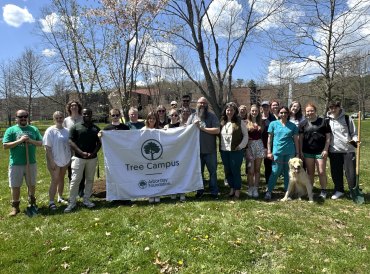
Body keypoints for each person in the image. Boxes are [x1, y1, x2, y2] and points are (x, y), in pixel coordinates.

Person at [3, 110, 43, 216]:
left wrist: (30, 141)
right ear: (16, 118)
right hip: (16, 163)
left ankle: (32, 203)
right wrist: (20, 141)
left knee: (31, 184)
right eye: (21, 117)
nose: (23, 118)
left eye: (25, 116)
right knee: (15, 186)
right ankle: (15, 207)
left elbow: (40, 143)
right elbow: (5, 146)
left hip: (31, 163)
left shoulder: (33, 129)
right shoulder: (11, 130)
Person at [64, 108, 101, 213]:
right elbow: (71, 141)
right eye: (84, 114)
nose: (87, 116)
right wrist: (81, 152)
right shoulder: (75, 127)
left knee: (89, 179)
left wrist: (94, 153)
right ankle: (72, 202)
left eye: (89, 114)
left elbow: (99, 142)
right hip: (78, 158)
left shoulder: (96, 129)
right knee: (75, 180)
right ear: (82, 115)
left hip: (92, 159)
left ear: (91, 115)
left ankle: (86, 199)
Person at [187, 97, 220, 199]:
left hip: (210, 150)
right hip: (197, 152)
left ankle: (214, 191)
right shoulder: (192, 117)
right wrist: (192, 125)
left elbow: (217, 130)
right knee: (199, 172)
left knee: (213, 172)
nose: (202, 105)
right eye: (200, 103)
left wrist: (202, 128)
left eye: (204, 103)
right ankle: (200, 190)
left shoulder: (212, 116)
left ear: (207, 105)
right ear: (197, 104)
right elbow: (186, 131)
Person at [265, 106, 299, 200]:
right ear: (279, 113)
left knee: (288, 173)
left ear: (288, 114)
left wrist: (297, 153)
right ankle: (269, 191)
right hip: (277, 152)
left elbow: (296, 140)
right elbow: (269, 138)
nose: (283, 114)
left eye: (285, 113)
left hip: (290, 152)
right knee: (275, 172)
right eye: (281, 112)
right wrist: (269, 151)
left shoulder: (292, 126)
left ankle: (287, 193)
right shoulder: (273, 124)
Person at [327, 100, 358, 200]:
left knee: (351, 173)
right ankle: (339, 190)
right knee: (336, 172)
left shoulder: (347, 118)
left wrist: (355, 141)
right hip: (334, 151)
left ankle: (353, 190)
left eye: (335, 107)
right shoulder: (327, 120)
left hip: (348, 150)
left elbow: (354, 133)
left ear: (339, 107)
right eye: (331, 107)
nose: (333, 109)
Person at [299, 103, 331, 199]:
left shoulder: (323, 122)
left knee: (321, 171)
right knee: (310, 172)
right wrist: (300, 151)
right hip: (308, 152)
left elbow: (328, 137)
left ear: (315, 111)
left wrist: (325, 149)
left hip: (320, 152)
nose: (310, 112)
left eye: (312, 110)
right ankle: (310, 190)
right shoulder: (303, 124)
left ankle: (323, 190)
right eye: (308, 111)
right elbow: (300, 139)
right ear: (305, 112)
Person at [219, 102, 248, 199]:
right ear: (225, 111)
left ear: (235, 111)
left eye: (231, 110)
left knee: (235, 170)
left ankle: (237, 190)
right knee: (228, 170)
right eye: (228, 110)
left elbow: (246, 136)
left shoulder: (240, 121)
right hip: (224, 150)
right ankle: (232, 188)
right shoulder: (222, 121)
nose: (229, 112)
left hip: (236, 150)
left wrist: (241, 146)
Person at [43, 111, 71, 210]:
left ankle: (60, 197)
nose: (59, 119)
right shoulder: (50, 131)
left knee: (61, 178)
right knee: (55, 180)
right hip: (54, 160)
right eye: (57, 118)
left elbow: (69, 145)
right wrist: (51, 161)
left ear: (63, 118)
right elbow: (47, 147)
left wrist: (69, 158)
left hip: (65, 159)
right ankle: (51, 202)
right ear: (54, 119)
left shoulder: (67, 131)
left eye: (61, 117)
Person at [63, 100, 85, 196]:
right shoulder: (66, 120)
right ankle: (73, 190)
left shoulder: (83, 119)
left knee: (82, 169)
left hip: (81, 148)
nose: (74, 107)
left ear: (78, 107)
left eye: (75, 105)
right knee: (71, 170)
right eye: (72, 105)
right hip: (70, 148)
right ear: (69, 108)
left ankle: (81, 190)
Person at [246, 104, 265, 198]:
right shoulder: (246, 122)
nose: (254, 112)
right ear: (250, 111)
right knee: (250, 170)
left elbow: (264, 136)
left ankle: (255, 188)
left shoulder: (261, 122)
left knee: (257, 170)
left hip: (259, 146)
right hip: (250, 146)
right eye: (253, 111)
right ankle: (250, 187)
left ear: (258, 112)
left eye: (256, 111)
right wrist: (246, 149)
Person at [142, 111, 161, 203]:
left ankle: (157, 194)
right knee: (148, 176)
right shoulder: (142, 130)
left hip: (158, 159)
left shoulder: (160, 130)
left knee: (157, 176)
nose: (151, 120)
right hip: (146, 159)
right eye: (150, 118)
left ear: (156, 120)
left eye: (153, 118)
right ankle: (150, 194)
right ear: (147, 119)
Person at [261, 100, 276, 186]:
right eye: (264, 106)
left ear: (269, 107)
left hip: (270, 144)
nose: (265, 108)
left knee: (268, 164)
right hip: (259, 143)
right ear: (261, 108)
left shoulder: (273, 118)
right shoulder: (258, 117)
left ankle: (268, 183)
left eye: (267, 106)